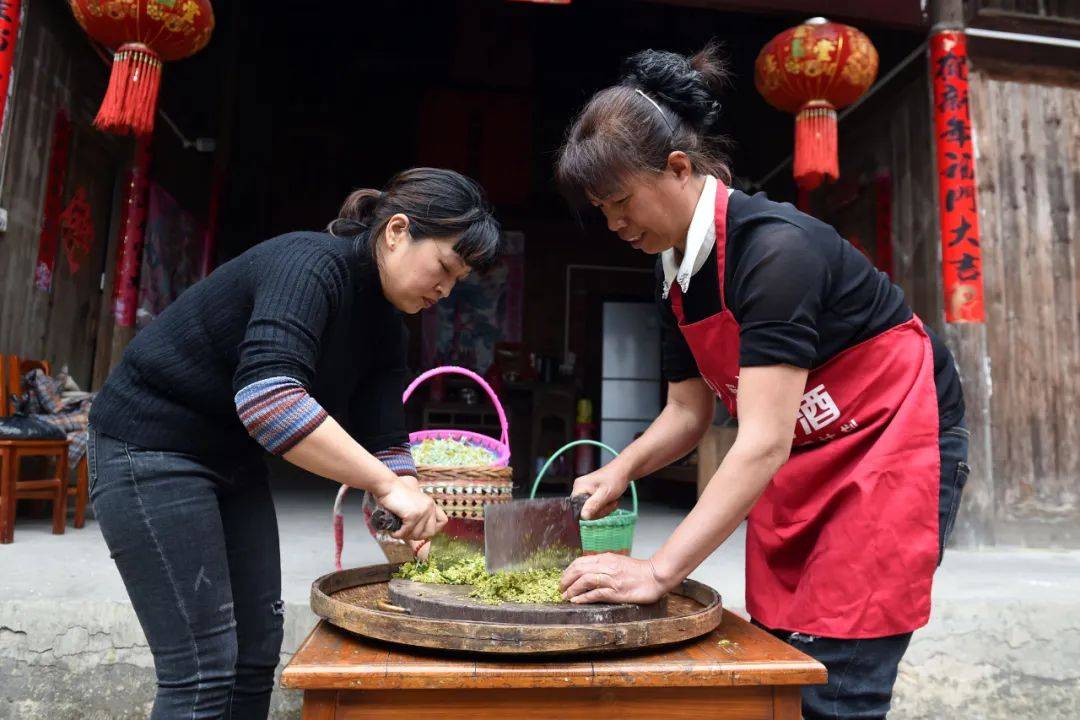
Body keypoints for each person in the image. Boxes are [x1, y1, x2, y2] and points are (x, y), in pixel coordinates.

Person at [555, 44, 968, 719]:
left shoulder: (775, 250)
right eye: (602, 210)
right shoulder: (673, 274)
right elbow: (688, 413)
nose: (615, 224)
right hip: (806, 445)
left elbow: (762, 441)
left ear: (679, 169)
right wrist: (620, 469)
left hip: (893, 436)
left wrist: (659, 572)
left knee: (840, 676)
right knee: (779, 657)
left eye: (621, 201)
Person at [87, 168, 501, 719]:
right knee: (202, 670)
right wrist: (382, 485)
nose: (445, 290)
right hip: (150, 446)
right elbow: (268, 400)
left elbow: (385, 437)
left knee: (256, 657)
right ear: (397, 231)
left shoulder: (388, 323)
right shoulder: (309, 265)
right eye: (445, 268)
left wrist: (408, 503)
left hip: (230, 458)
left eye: (458, 280)